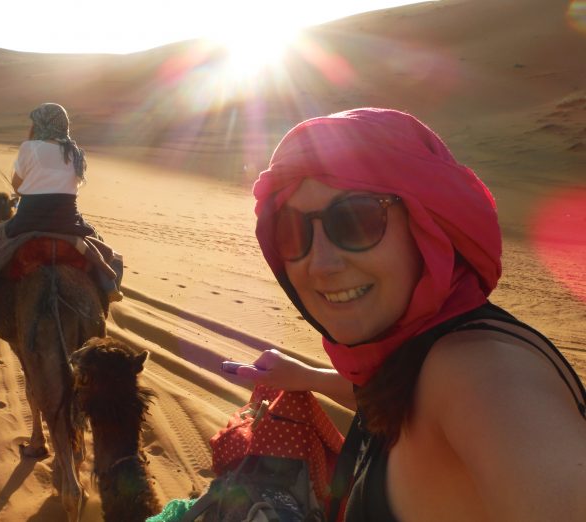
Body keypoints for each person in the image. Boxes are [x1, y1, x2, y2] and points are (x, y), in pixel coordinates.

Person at [230, 108, 586, 521]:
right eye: (291, 232)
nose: (321, 263)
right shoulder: (416, 355)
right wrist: (307, 378)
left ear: (427, 226)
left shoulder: (481, 372)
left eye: (357, 219)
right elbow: (400, 397)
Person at [0, 103, 123, 313]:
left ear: (40, 124)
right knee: (104, 247)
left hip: (27, 222)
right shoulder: (76, 152)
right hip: (70, 223)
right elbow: (75, 185)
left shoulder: (29, 147)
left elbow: (17, 186)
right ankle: (108, 288)